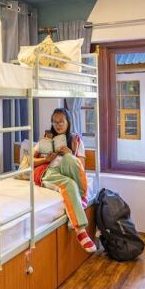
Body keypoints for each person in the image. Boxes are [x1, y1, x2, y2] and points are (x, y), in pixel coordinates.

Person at [33, 107, 96, 253]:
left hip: (68, 170)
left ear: (68, 122)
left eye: (61, 121)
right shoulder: (46, 139)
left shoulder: (76, 140)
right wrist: (46, 159)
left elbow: (81, 167)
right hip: (49, 172)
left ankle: (80, 196)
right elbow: (31, 161)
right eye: (55, 122)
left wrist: (70, 154)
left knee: (69, 159)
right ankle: (80, 230)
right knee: (69, 184)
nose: (58, 125)